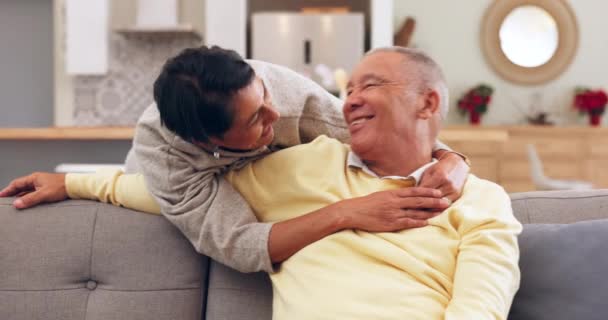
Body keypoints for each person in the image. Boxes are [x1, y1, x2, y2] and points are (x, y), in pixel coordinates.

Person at [8, 47, 521, 319]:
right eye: (257, 121)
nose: (348, 100)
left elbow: (480, 305)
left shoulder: (482, 201)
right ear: (215, 145)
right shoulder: (290, 171)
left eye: (372, 84)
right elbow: (166, 201)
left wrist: (455, 159)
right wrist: (75, 184)